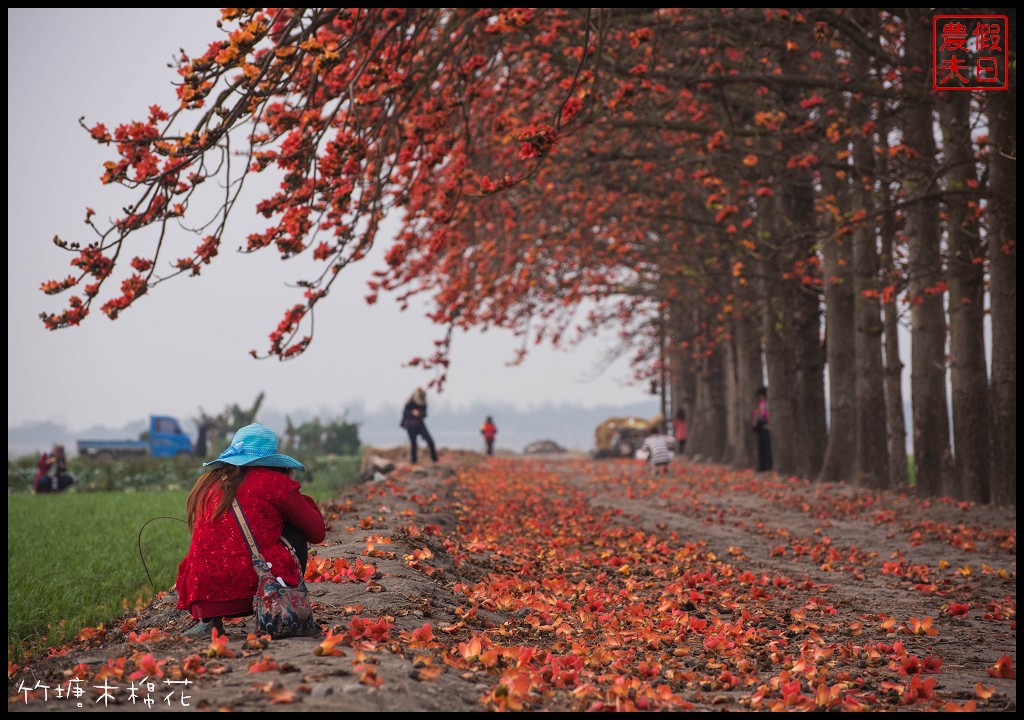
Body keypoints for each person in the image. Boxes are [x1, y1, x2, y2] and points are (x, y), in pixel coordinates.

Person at [175, 423, 326, 637]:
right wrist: (299, 498)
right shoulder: (276, 482)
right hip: (258, 586)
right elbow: (317, 533)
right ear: (272, 459)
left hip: (203, 592)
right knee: (296, 532)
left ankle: (208, 622)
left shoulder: (208, 483)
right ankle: (280, 603)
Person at [400, 387, 438, 464]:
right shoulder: (409, 403)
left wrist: (419, 414)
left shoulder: (424, 403)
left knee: (430, 441)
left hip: (420, 424)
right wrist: (412, 413)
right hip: (410, 425)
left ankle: (435, 460)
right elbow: (404, 414)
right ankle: (413, 462)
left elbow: (425, 414)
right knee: (413, 444)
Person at [752, 386, 772, 472]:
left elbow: (764, 415)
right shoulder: (761, 404)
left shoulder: (765, 404)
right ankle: (763, 466)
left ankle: (767, 466)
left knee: (765, 448)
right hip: (761, 428)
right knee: (762, 448)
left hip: (765, 427)